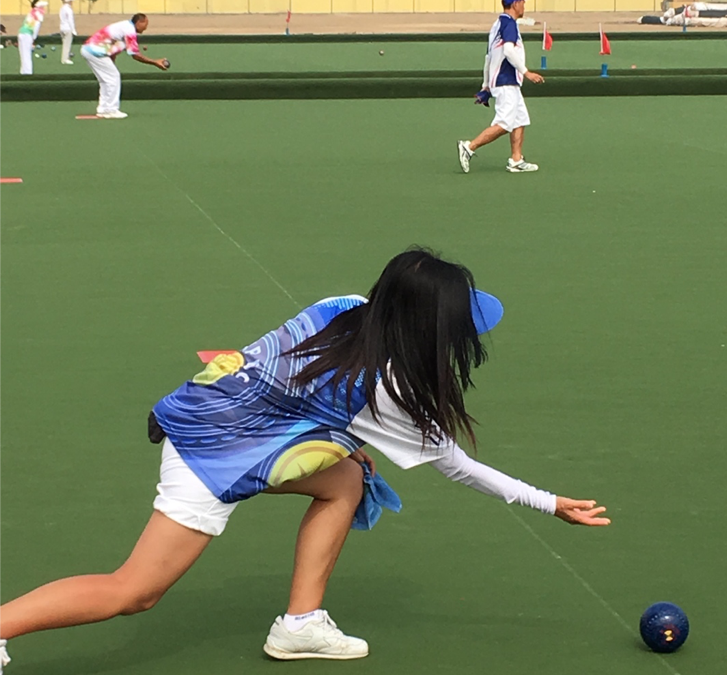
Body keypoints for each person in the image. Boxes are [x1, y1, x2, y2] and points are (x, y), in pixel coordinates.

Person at [0, 248, 609, 671]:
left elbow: (293, 394)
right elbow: (456, 465)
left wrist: (351, 445)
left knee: (345, 478)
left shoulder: (343, 307)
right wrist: (550, 503)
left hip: (209, 415)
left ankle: (299, 626)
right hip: (211, 457)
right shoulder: (390, 387)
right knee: (132, 591)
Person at [457, 0, 544, 174]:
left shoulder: (497, 24)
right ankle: (469, 146)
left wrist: (486, 86)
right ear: (515, 4)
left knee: (520, 119)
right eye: (523, 2)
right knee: (504, 123)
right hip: (506, 81)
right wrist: (527, 72)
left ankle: (516, 160)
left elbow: (488, 58)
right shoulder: (509, 24)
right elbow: (508, 51)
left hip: (503, 82)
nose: (524, 6)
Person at [80, 13, 168, 119]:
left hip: (89, 50)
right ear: (139, 22)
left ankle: (103, 109)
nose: (146, 27)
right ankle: (111, 110)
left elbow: (114, 48)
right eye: (145, 24)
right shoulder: (129, 30)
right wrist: (155, 62)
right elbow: (135, 55)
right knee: (114, 77)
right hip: (95, 52)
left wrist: (112, 63)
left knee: (106, 80)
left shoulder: (125, 27)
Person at [17, 0, 47, 76]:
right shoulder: (39, 14)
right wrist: (34, 38)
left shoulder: (32, 12)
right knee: (27, 55)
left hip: (21, 33)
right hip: (27, 35)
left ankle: (23, 72)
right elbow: (36, 27)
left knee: (23, 55)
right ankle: (28, 73)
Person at [59, 0, 76, 65]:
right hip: (68, 28)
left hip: (62, 28)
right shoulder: (69, 9)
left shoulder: (62, 8)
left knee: (64, 44)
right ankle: (65, 59)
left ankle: (64, 58)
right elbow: (70, 20)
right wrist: (73, 30)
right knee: (67, 44)